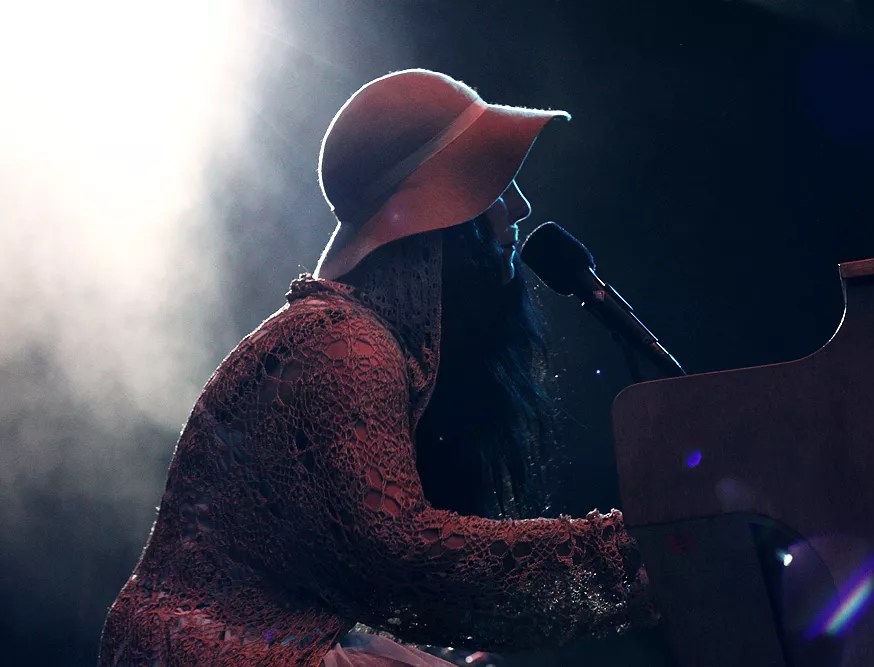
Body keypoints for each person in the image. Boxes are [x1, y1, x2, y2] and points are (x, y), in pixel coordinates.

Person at [99, 69, 657, 667]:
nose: (517, 207)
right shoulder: (346, 348)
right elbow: (400, 550)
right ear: (438, 225)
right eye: (491, 187)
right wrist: (626, 556)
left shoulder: (352, 338)